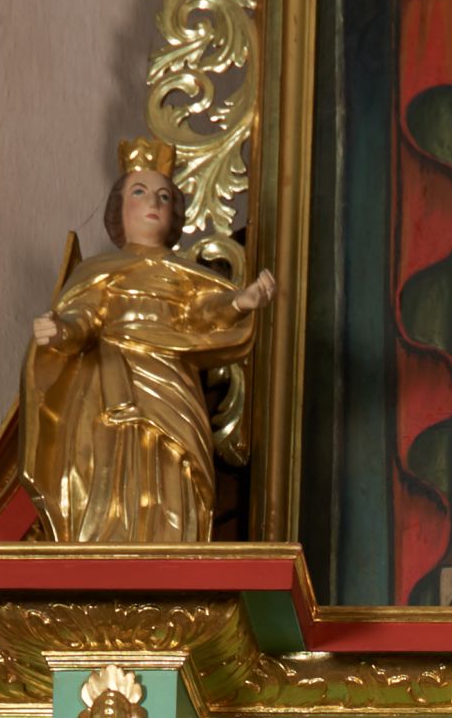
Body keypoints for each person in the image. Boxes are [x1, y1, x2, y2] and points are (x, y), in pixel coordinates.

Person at [20, 140, 272, 546]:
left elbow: (202, 313)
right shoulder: (97, 271)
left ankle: (174, 542)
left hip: (173, 382)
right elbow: (85, 318)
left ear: (175, 214)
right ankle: (108, 542)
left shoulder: (186, 275)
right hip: (111, 379)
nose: (154, 202)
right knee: (113, 458)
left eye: (164, 196)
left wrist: (240, 302)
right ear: (119, 210)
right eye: (140, 192)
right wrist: (61, 331)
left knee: (176, 458)